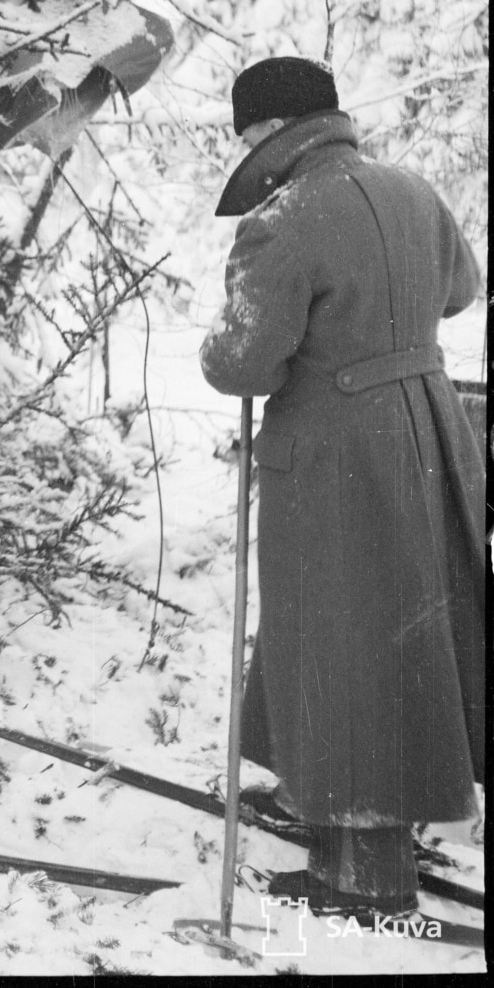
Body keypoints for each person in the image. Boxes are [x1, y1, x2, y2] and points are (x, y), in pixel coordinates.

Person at [200, 56, 484, 922]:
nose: (246, 148)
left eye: (247, 134)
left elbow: (241, 361)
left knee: (345, 640)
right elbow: (462, 291)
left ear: (271, 132)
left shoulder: (278, 222)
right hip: (430, 433)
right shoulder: (411, 189)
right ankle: (328, 801)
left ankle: (364, 868)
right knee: (405, 629)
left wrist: (216, 344)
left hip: (332, 458)